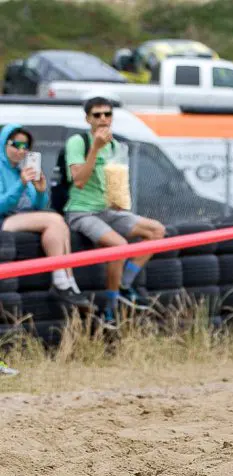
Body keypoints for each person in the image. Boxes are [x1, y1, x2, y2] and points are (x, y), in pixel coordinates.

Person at [64, 97, 166, 324]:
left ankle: (124, 284)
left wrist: (119, 201)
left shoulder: (116, 146)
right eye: (97, 115)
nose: (103, 119)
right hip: (82, 211)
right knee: (119, 246)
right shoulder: (78, 142)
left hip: (107, 210)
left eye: (107, 114)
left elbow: (116, 182)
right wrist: (95, 148)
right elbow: (79, 181)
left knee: (157, 231)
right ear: (88, 118)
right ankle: (110, 309)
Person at [0, 124, 93, 310]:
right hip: (4, 219)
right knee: (53, 219)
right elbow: (3, 204)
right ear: (3, 143)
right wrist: (21, 184)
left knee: (58, 222)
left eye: (25, 146)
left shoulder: (22, 170)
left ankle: (67, 280)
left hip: (21, 217)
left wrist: (41, 190)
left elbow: (38, 206)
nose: (21, 150)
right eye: (16, 144)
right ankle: (61, 281)